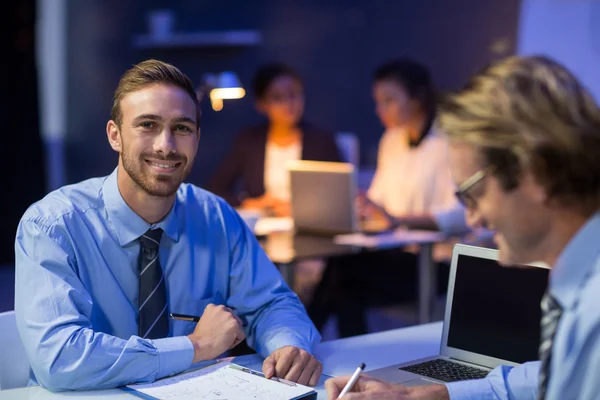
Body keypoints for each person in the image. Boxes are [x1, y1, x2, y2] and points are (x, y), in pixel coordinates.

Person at [14, 59, 323, 392]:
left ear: (197, 138)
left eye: (182, 128)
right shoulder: (52, 226)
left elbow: (272, 304)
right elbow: (60, 359)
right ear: (115, 136)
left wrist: (288, 345)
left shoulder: (216, 216)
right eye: (148, 125)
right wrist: (196, 346)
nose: (166, 145)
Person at [325, 55, 600, 399]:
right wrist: (422, 396)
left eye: (474, 194)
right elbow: (546, 377)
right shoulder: (576, 283)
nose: (472, 220)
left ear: (537, 173)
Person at [308, 59, 458, 338]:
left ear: (417, 98)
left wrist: (396, 219)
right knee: (344, 281)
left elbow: (459, 216)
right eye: (378, 101)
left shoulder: (450, 141)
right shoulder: (392, 139)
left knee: (342, 276)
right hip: (396, 254)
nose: (381, 110)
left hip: (437, 262)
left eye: (389, 100)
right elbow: (380, 199)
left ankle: (303, 344)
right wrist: (365, 207)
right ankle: (328, 353)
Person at [208, 62, 341, 217]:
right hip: (264, 225)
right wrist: (250, 203)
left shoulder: (321, 140)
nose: (288, 104)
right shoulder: (249, 141)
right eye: (278, 98)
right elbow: (214, 189)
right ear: (262, 104)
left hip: (309, 223)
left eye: (293, 94)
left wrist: (303, 208)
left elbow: (339, 195)